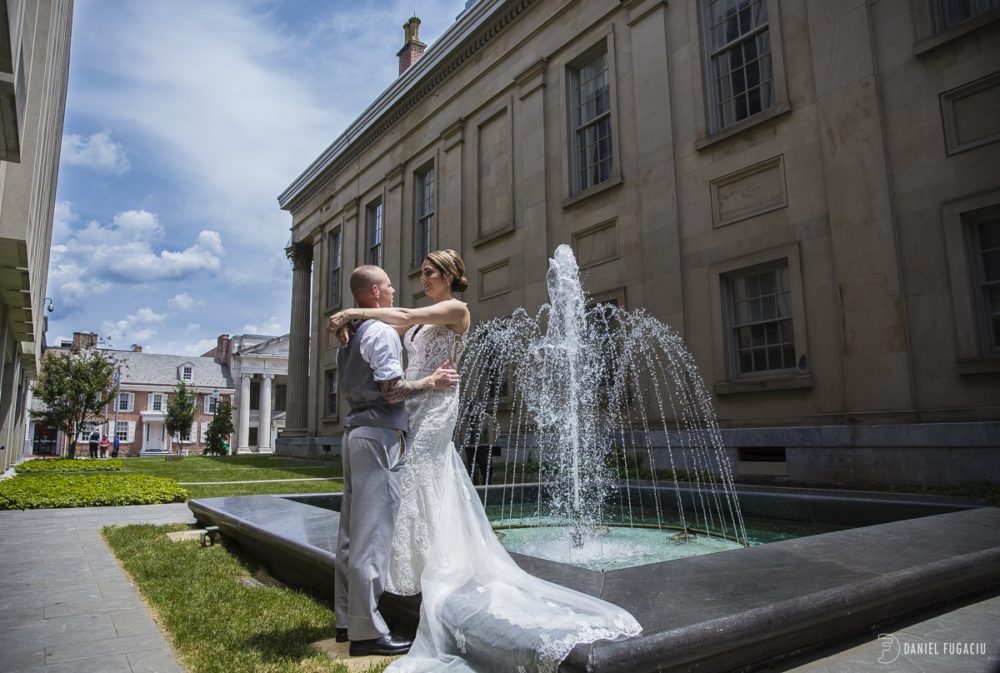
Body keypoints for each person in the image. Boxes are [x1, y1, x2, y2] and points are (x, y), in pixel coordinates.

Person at [328, 250, 641, 672]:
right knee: (409, 481)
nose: (423, 277)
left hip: (437, 399)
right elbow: (396, 323)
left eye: (430, 272)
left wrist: (350, 311)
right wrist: (354, 323)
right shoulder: (419, 316)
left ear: (450, 275)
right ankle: (404, 565)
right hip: (409, 403)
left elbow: (396, 314)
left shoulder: (456, 309)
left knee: (420, 470)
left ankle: (431, 563)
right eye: (421, 272)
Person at [333, 264, 459, 658]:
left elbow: (402, 317)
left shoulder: (351, 335)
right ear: (374, 291)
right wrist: (430, 383)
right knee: (370, 538)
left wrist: (348, 315)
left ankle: (345, 621)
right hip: (379, 436)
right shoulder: (382, 332)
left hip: (354, 432)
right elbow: (392, 392)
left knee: (350, 536)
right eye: (388, 285)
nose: (395, 290)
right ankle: (367, 631)